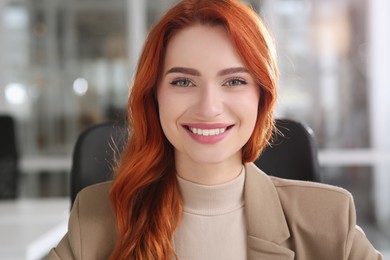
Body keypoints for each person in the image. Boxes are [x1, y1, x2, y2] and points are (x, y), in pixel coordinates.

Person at [48, 0, 383, 259]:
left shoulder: (328, 219)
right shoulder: (95, 217)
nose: (208, 107)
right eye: (183, 81)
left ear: (261, 97)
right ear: (154, 96)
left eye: (234, 81)